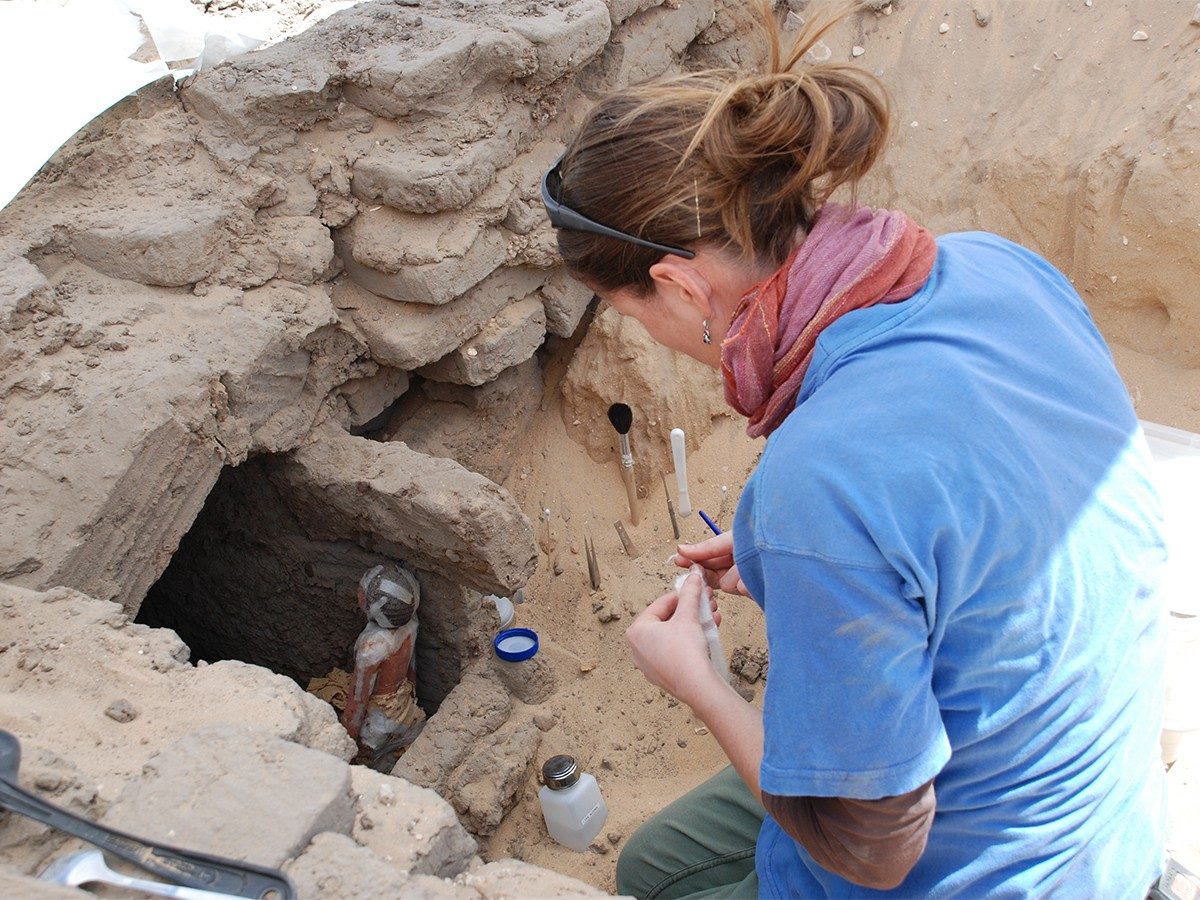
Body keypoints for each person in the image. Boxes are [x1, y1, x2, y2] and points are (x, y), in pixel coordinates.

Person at [540, 6, 1167, 898]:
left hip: (994, 871)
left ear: (679, 283)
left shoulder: (819, 482)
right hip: (1091, 783)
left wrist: (703, 687)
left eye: (635, 313)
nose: (649, 335)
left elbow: (873, 852)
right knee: (653, 861)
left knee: (665, 884)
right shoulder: (996, 266)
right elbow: (978, 517)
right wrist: (797, 566)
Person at [341, 564, 423, 751]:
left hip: (377, 727)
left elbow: (357, 703)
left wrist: (345, 746)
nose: (359, 591)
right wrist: (410, 698)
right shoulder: (410, 621)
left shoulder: (371, 647)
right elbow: (412, 669)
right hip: (405, 708)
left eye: (363, 590)